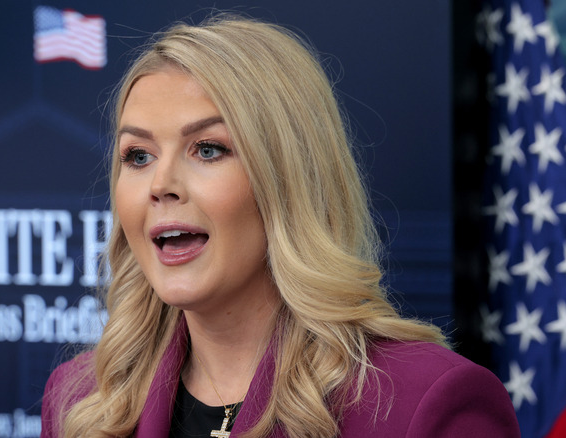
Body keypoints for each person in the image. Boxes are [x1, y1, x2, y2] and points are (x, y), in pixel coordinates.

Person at [41, 14, 520, 438]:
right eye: (138, 156)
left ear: (289, 178)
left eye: (208, 149)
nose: (160, 185)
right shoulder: (80, 401)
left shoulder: (425, 403)